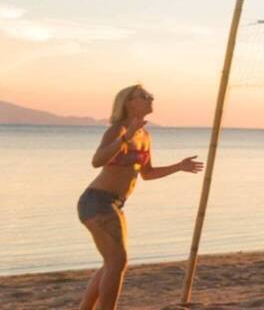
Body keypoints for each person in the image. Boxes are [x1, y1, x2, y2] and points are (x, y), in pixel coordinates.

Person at [78, 85, 204, 310]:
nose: (150, 99)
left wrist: (179, 166)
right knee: (117, 262)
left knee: (113, 262)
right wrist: (125, 137)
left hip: (115, 204)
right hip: (96, 201)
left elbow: (147, 174)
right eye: (144, 96)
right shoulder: (117, 130)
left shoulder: (145, 135)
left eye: (151, 96)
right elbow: (97, 161)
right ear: (129, 102)